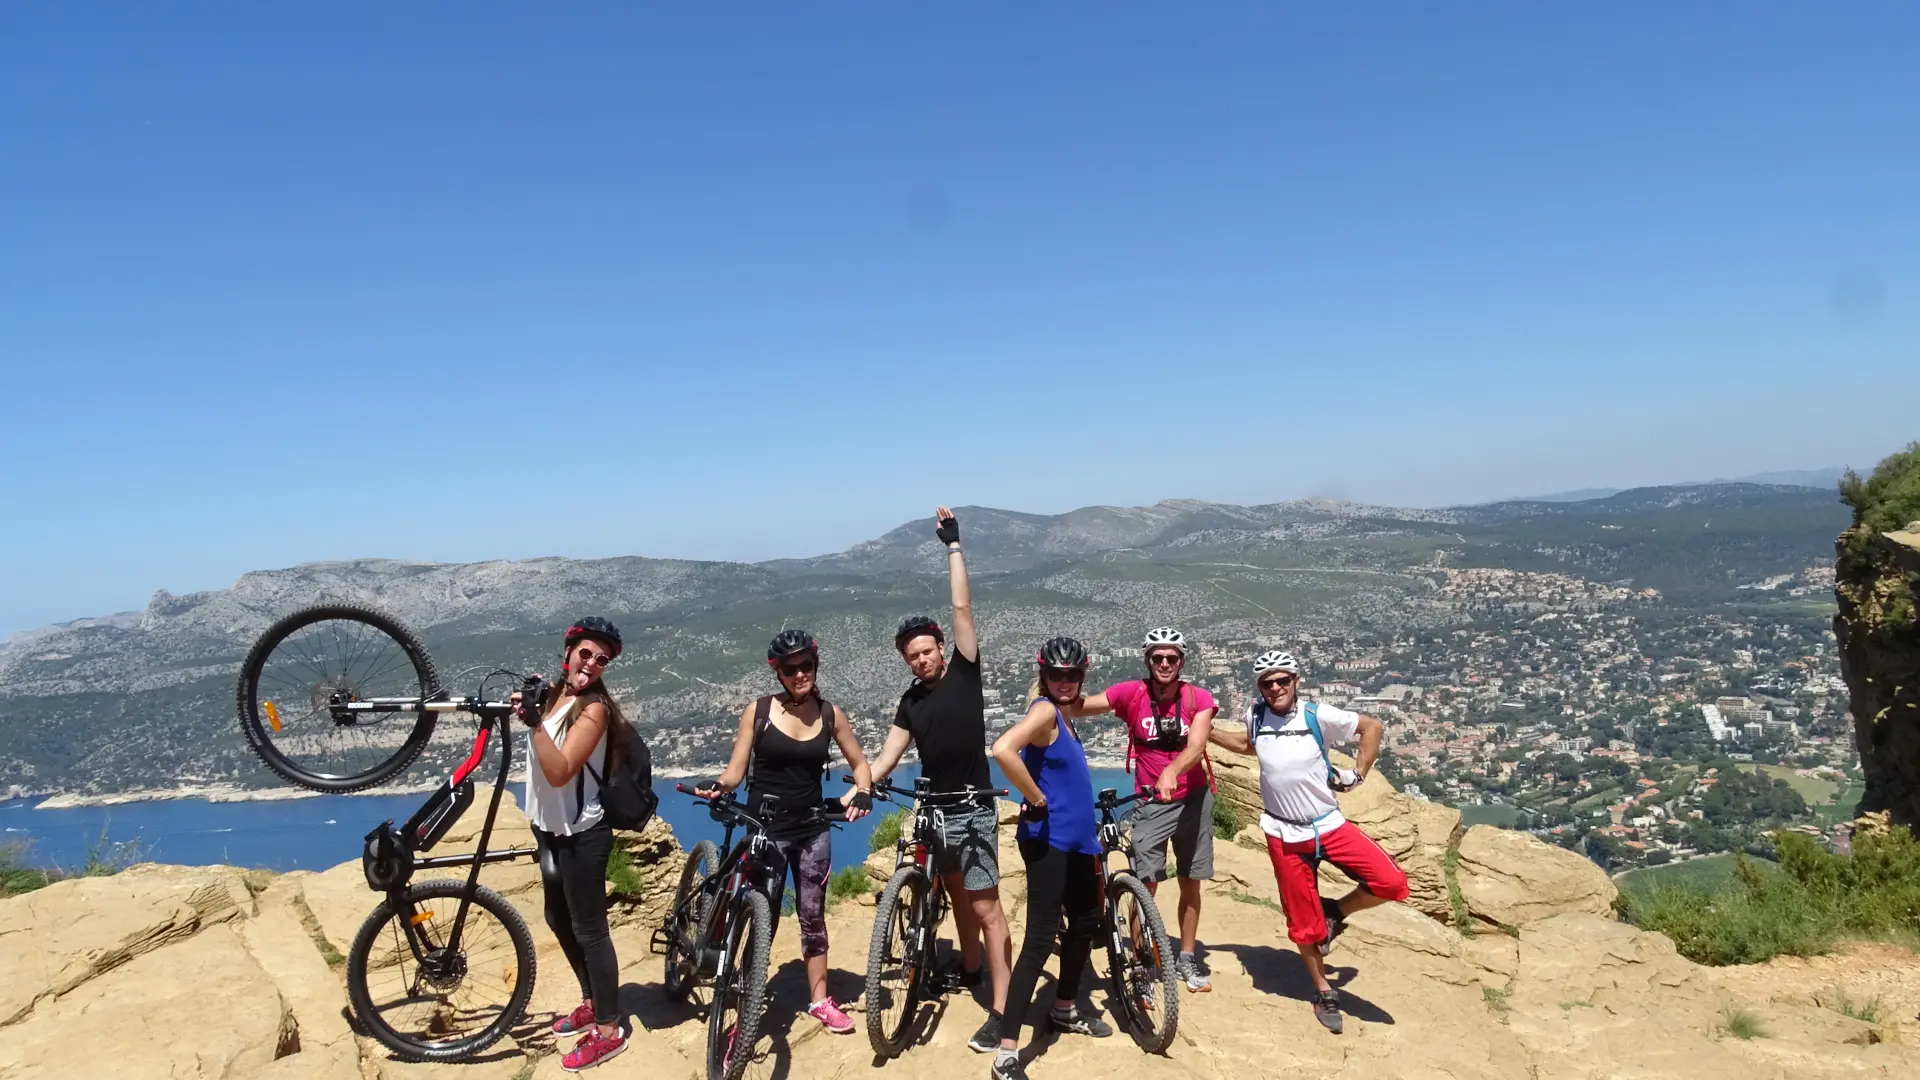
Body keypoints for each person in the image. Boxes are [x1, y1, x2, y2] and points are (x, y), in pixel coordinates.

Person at [866, 507, 1013, 1053]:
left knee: (984, 906)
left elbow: (961, 607)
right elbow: (886, 757)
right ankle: (969, 967)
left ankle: (1002, 1010)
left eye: (928, 650)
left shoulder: (965, 671)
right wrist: (862, 785)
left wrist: (953, 546)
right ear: (906, 662)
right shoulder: (909, 702)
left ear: (939, 649)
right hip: (933, 807)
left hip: (973, 805)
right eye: (914, 655)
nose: (924, 659)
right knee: (952, 889)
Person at [1206, 649, 1410, 1035]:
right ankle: (1323, 990)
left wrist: (1358, 774)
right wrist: (1209, 733)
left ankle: (1337, 912)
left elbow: (1372, 727)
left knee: (1391, 883)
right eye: (1267, 682)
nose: (1275, 687)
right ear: (1259, 688)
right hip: (1283, 832)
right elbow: (1249, 745)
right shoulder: (1256, 716)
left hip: (1327, 824)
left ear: (1296, 681)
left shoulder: (1317, 715)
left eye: (1282, 680)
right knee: (1302, 923)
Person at [696, 629, 874, 1034]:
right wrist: (720, 785)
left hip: (813, 830)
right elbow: (737, 770)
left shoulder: (830, 714)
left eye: (805, 666)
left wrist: (862, 793)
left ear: (815, 665)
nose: (799, 675)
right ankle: (743, 999)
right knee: (763, 916)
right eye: (790, 669)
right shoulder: (757, 712)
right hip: (766, 831)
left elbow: (861, 764)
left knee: (813, 917)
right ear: (778, 673)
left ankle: (820, 1001)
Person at [987, 637, 1114, 1080]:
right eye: (1057, 675)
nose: (1065, 681)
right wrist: (1035, 797)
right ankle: (1006, 1053)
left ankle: (1063, 1008)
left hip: (1079, 842)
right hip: (1050, 841)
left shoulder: (1066, 712)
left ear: (1083, 675)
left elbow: (1102, 706)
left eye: (1073, 675)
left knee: (1084, 923)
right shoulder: (1043, 711)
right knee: (1040, 939)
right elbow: (1002, 749)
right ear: (1044, 676)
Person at [1065, 626, 1218, 992]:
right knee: (1144, 883)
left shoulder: (1199, 698)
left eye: (1172, 658)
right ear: (1147, 661)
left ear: (1182, 662)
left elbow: (1196, 746)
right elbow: (1082, 706)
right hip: (1150, 801)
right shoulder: (1131, 693)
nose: (1165, 663)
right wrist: (1053, 692)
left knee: (1190, 879)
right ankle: (1140, 959)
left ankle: (1185, 955)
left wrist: (1172, 770)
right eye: (1158, 658)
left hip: (1193, 798)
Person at [520, 617, 632, 1072]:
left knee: (591, 931)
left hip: (584, 833)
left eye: (601, 659)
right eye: (586, 653)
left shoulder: (595, 709)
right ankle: (591, 998)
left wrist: (533, 725)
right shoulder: (554, 695)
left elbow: (561, 770)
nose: (591, 664)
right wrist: (532, 710)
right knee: (555, 916)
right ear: (569, 652)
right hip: (548, 827)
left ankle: (609, 1030)